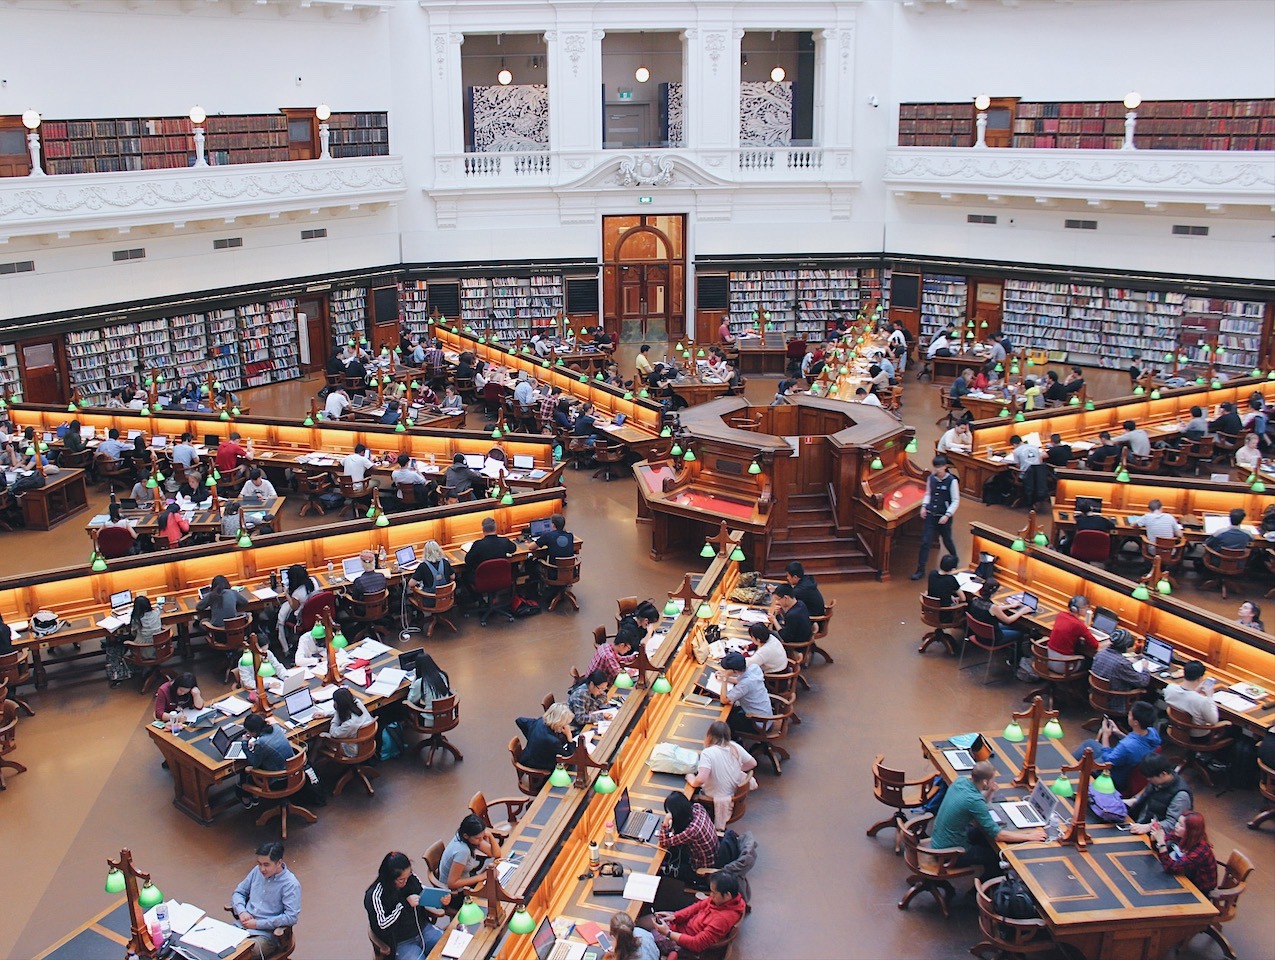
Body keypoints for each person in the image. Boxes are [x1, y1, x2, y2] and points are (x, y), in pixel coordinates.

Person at [928, 761, 1046, 874]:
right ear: (985, 782)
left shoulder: (960, 781)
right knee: (997, 856)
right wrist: (1029, 836)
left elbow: (978, 802)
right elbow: (998, 835)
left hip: (940, 841)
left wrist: (990, 791)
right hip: (949, 853)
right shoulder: (974, 801)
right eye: (993, 779)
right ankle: (977, 891)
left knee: (981, 835)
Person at [365, 851, 447, 959]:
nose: (405, 882)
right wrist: (404, 905)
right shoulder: (375, 895)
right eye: (401, 880)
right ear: (389, 878)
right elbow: (383, 926)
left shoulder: (410, 878)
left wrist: (440, 901)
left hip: (423, 929)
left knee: (450, 946)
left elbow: (423, 894)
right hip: (400, 941)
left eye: (407, 876)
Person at [644, 872, 746, 958]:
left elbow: (697, 944)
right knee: (649, 921)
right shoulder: (724, 901)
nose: (711, 895)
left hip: (685, 943)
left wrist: (668, 933)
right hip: (683, 927)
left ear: (727, 895)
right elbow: (698, 906)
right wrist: (676, 916)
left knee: (646, 938)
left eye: (714, 893)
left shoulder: (722, 920)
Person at [1074, 701, 1162, 793]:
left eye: (1130, 715)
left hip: (1115, 776)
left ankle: (1071, 771)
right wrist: (1119, 733)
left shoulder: (1126, 746)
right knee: (1090, 743)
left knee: (1087, 758)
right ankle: (1072, 766)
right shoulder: (1152, 732)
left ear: (1135, 722)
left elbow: (1108, 760)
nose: (1128, 715)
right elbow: (1137, 743)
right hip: (1129, 762)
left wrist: (1105, 735)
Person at [686, 720, 757, 829]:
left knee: (689, 795)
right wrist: (737, 768)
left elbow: (701, 780)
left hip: (715, 795)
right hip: (733, 792)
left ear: (709, 735)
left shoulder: (708, 753)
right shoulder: (734, 746)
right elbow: (752, 763)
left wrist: (691, 779)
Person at [232, 841, 301, 951]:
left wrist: (257, 924)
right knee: (214, 946)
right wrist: (242, 911)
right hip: (241, 927)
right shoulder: (256, 871)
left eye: (266, 865)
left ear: (279, 863)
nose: (261, 869)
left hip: (265, 935)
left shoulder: (290, 884)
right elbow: (239, 892)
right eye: (259, 863)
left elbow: (291, 917)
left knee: (239, 954)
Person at [912, 455, 960, 579]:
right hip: (931, 516)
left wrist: (948, 514)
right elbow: (928, 493)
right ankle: (920, 569)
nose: (937, 469)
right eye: (935, 467)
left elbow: (955, 500)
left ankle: (955, 561)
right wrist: (924, 506)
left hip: (944, 517)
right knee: (925, 542)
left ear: (945, 467)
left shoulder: (952, 481)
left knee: (947, 540)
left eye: (939, 467)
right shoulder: (931, 479)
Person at [1151, 811, 1217, 894]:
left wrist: (1161, 843)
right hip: (1183, 875)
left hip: (1197, 889)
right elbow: (1159, 849)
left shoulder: (1201, 851)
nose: (1176, 826)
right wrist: (1155, 837)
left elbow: (1170, 868)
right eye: (1178, 822)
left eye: (1181, 825)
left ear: (1191, 831)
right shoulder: (1181, 835)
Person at [658, 792, 718, 882]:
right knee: (673, 850)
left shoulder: (692, 831)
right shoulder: (698, 808)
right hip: (713, 854)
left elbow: (663, 842)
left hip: (701, 868)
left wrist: (666, 821)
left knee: (664, 867)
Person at [1127, 754, 1193, 835]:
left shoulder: (1181, 796)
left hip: (1154, 835)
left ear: (1163, 774)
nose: (1148, 780)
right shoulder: (1157, 782)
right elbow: (1142, 799)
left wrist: (1148, 827)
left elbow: (1172, 824)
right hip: (1138, 823)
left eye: (1150, 777)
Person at [439, 813, 503, 896]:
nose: (481, 840)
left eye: (482, 836)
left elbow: (496, 854)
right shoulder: (462, 851)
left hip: (466, 878)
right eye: (478, 838)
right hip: (455, 893)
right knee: (495, 894)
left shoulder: (467, 837)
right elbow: (452, 883)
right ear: (466, 836)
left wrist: (490, 835)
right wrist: (482, 876)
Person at [966, 579, 1030, 656]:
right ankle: (1014, 660)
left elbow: (994, 609)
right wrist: (1021, 611)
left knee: (1013, 627)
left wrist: (1011, 606)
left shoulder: (975, 600)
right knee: (1020, 633)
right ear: (993, 592)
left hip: (979, 634)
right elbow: (1008, 620)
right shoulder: (993, 607)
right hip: (992, 639)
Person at [718, 651, 771, 737]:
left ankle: (736, 741)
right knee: (733, 710)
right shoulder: (754, 668)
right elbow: (740, 680)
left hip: (760, 723)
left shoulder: (745, 684)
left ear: (734, 671)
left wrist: (725, 679)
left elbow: (724, 700)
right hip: (765, 714)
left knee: (726, 720)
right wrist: (727, 678)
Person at [1163, 660, 1221, 737]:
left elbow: (1185, 698)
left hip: (1176, 728)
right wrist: (1210, 697)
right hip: (1197, 737)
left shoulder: (1170, 688)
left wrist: (1195, 691)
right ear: (1200, 678)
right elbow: (1214, 721)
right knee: (1234, 729)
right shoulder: (1202, 701)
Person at [515, 703, 574, 772]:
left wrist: (531, 737)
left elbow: (520, 720)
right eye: (565, 723)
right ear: (558, 722)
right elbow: (568, 757)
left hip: (528, 755)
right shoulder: (553, 741)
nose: (566, 726)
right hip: (537, 764)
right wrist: (569, 736)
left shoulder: (539, 721)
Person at [1047, 594, 1100, 668]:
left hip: (1049, 659)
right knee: (1088, 661)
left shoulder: (1060, 615)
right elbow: (1095, 645)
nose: (1088, 610)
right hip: (1063, 665)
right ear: (1076, 609)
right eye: (1086, 607)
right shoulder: (1078, 625)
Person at [318, 686, 374, 756]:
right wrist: (325, 714)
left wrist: (336, 715)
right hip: (368, 744)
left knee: (320, 737)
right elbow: (345, 710)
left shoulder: (350, 724)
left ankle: (313, 763)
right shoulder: (358, 703)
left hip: (354, 750)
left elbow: (333, 733)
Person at [1090, 627, 1150, 692]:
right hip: (1114, 698)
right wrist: (1145, 668)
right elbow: (1143, 682)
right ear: (1126, 646)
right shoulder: (1122, 664)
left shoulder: (1100, 653)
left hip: (1096, 694)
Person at [464, 517, 517, 585]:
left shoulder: (478, 544)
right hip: (501, 577)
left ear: (483, 529)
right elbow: (513, 549)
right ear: (495, 528)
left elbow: (468, 560)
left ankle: (476, 596)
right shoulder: (504, 541)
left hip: (482, 579)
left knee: (464, 575)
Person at [278, 563, 317, 653]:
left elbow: (294, 607)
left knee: (281, 616)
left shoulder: (297, 593)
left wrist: (286, 593)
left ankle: (286, 647)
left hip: (301, 618)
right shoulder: (313, 582)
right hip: (315, 615)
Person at [407, 652, 453, 722]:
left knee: (404, 707)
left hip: (431, 720)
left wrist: (413, 682)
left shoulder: (420, 682)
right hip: (447, 715)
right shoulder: (443, 675)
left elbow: (410, 701)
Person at [409, 541, 455, 610]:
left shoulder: (423, 566)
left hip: (430, 600)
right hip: (445, 599)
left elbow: (411, 584)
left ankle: (423, 616)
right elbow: (453, 577)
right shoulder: (445, 562)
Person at [769, 584, 812, 648]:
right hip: (800, 635)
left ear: (786, 598)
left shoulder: (792, 615)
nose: (778, 602)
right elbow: (790, 623)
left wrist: (774, 620)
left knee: (767, 633)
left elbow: (786, 638)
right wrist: (781, 613)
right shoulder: (800, 603)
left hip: (796, 644)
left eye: (779, 599)